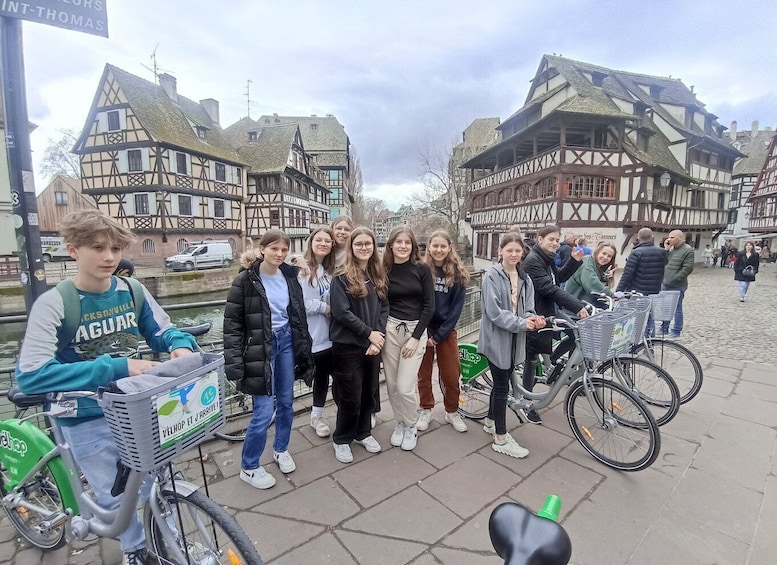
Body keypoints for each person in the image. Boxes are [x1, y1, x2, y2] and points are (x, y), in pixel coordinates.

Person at [15, 209, 198, 565]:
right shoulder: (55, 303)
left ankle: (167, 541)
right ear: (73, 251)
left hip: (136, 406)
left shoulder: (132, 290)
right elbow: (32, 375)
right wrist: (115, 367)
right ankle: (134, 551)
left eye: (115, 248)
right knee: (114, 496)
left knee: (156, 482)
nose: (109, 257)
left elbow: (160, 330)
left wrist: (179, 342)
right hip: (85, 414)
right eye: (97, 247)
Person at [223, 229, 314, 490]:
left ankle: (281, 449)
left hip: (285, 341)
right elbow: (232, 325)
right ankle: (249, 466)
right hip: (259, 348)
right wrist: (235, 364)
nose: (279, 253)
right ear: (262, 249)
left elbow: (297, 315)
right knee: (263, 410)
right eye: (274, 248)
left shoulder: (289, 277)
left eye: (284, 250)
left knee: (286, 401)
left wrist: (303, 345)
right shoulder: (245, 281)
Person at [479, 233, 546, 458]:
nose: (514, 254)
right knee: (502, 387)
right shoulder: (491, 276)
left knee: (503, 381)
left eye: (518, 251)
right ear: (501, 252)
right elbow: (494, 312)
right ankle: (501, 438)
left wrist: (533, 318)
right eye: (510, 250)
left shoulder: (525, 278)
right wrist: (522, 323)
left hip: (515, 338)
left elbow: (528, 307)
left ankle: (489, 421)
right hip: (496, 339)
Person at [329, 227, 388, 463]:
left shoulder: (377, 276)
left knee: (368, 392)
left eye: (368, 244)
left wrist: (379, 335)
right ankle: (342, 438)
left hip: (373, 345)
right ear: (352, 248)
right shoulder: (341, 277)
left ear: (374, 247)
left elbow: (385, 307)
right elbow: (342, 313)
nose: (364, 248)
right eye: (359, 244)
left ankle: (363, 433)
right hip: (348, 346)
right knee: (350, 395)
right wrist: (369, 334)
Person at [521, 225, 588, 424]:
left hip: (550, 310)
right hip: (537, 313)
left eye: (557, 240)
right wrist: (576, 306)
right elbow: (548, 288)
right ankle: (526, 402)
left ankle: (554, 364)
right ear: (540, 239)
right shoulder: (533, 260)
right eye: (551, 239)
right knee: (531, 358)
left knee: (576, 332)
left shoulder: (546, 258)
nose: (555, 243)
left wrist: (574, 262)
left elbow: (557, 278)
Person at [382, 226, 435, 451]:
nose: (403, 246)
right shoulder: (384, 268)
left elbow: (429, 305)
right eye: (398, 242)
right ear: (391, 244)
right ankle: (400, 423)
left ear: (413, 245)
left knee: (405, 386)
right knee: (392, 386)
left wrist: (416, 337)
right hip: (391, 328)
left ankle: (411, 425)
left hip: (414, 331)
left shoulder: (421, 269)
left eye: (407, 242)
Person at [416, 230, 470, 433]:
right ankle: (426, 409)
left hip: (446, 330)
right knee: (423, 374)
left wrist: (439, 336)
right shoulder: (421, 270)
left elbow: (456, 310)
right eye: (435, 246)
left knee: (451, 375)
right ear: (429, 247)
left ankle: (452, 411)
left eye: (443, 246)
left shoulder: (457, 274)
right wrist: (422, 333)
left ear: (449, 248)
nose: (438, 250)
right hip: (422, 329)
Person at [300, 227, 337, 437]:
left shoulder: (329, 271)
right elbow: (300, 303)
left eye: (327, 241)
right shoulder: (303, 269)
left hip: (332, 335)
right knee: (320, 377)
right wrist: (326, 308)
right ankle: (317, 416)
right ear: (311, 242)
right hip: (314, 335)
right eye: (319, 240)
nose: (323, 243)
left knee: (337, 377)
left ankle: (346, 414)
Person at [616, 227, 668, 336]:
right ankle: (650, 342)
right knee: (649, 316)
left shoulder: (636, 252)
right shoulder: (662, 252)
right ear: (652, 237)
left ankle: (635, 341)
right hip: (654, 290)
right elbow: (664, 264)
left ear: (638, 238)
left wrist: (619, 290)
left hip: (637, 291)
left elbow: (627, 274)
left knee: (635, 318)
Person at [660, 230, 695, 339]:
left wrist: (673, 279)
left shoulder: (688, 251)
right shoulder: (671, 250)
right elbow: (663, 262)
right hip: (665, 283)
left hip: (678, 285)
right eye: (669, 237)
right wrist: (666, 250)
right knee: (665, 307)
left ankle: (676, 330)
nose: (669, 239)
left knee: (677, 308)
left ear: (680, 238)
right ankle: (664, 327)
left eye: (672, 237)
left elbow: (687, 269)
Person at [564, 241, 618, 307]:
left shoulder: (599, 268)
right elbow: (592, 284)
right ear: (597, 251)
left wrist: (605, 278)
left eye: (609, 256)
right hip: (574, 308)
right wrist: (613, 295)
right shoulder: (587, 262)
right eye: (604, 253)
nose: (605, 257)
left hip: (586, 307)